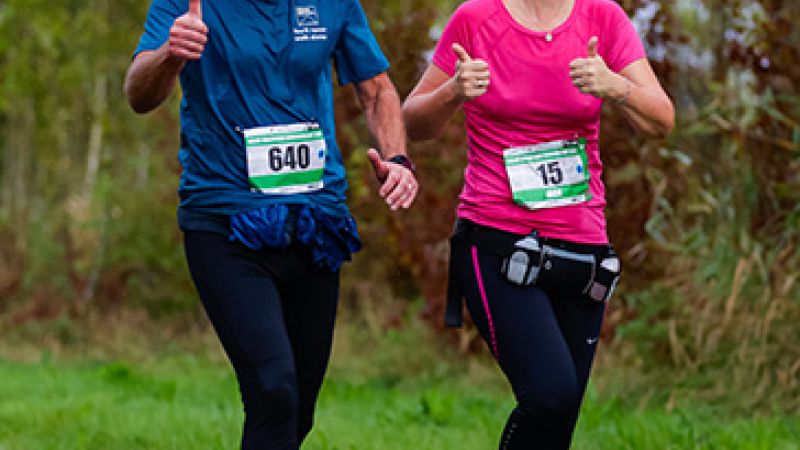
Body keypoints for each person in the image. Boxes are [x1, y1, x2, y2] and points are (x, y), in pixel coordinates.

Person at [124, 0, 417, 448]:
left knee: (297, 412)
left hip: (315, 223)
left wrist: (397, 159)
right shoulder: (187, 5)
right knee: (273, 389)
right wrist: (169, 53)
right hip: (225, 221)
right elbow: (138, 94)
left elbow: (377, 90)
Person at [403, 0, 674, 448]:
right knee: (549, 395)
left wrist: (615, 86)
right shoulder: (476, 19)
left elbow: (661, 119)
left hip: (582, 247)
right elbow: (415, 123)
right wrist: (453, 90)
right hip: (496, 239)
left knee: (559, 420)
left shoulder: (602, 17)